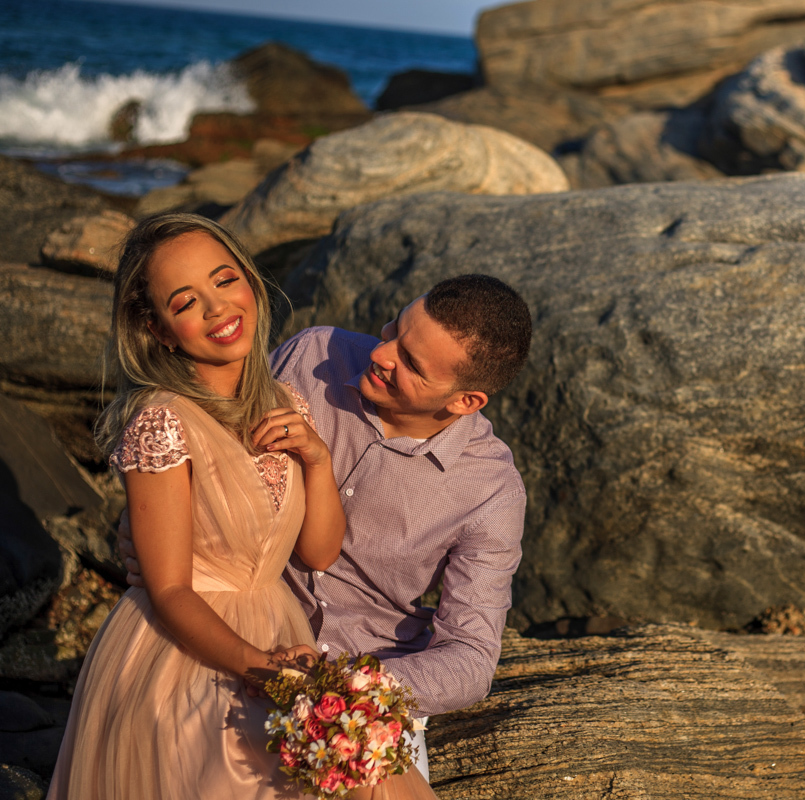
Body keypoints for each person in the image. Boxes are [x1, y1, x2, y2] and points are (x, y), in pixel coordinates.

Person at [49, 213, 437, 800]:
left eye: (224, 280)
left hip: (278, 631)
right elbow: (171, 589)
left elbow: (318, 551)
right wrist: (263, 670)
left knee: (355, 772)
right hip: (186, 652)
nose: (215, 308)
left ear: (252, 284)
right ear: (157, 329)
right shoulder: (162, 420)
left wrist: (316, 460)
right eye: (185, 302)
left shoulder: (286, 402)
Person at [121, 273, 533, 781]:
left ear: (464, 401)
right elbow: (209, 453)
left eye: (411, 365)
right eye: (394, 333)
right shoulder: (314, 355)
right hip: (242, 631)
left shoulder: (492, 490)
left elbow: (471, 659)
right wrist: (148, 529)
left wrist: (347, 682)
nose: (381, 355)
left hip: (365, 678)